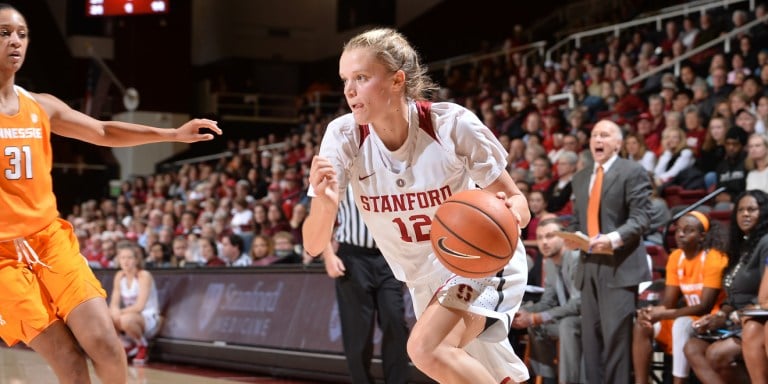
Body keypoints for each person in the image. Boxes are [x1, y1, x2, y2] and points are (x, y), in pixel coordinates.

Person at [0, 4, 221, 384]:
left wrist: (171, 134)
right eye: (4, 33)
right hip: (3, 256)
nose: (15, 41)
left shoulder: (41, 104)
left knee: (105, 343)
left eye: (21, 33)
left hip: (51, 242)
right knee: (69, 360)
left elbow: (102, 132)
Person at [302, 28, 531, 383]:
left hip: (478, 260)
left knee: (426, 349)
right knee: (482, 372)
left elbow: (519, 201)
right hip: (423, 279)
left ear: (397, 80)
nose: (349, 90)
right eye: (346, 79)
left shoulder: (450, 124)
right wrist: (326, 206)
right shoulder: (343, 135)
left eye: (361, 78)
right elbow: (313, 245)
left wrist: (509, 211)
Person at [565, 119, 652, 383]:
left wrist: (613, 239)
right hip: (589, 264)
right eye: (593, 135)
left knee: (616, 340)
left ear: (618, 143)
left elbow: (642, 218)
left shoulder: (632, 171)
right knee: (591, 340)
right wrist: (573, 236)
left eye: (605, 135)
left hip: (619, 264)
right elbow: (578, 220)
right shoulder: (580, 177)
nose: (597, 140)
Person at [318, 188, 409, 383]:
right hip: (353, 257)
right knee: (357, 329)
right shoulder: (341, 175)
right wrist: (328, 256)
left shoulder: (389, 172)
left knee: (395, 319)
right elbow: (321, 216)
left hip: (389, 256)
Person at [632, 212, 728, 384]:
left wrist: (662, 314)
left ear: (701, 236)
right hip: (683, 314)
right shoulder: (676, 257)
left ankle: (678, 382)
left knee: (681, 324)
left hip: (710, 318)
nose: (680, 234)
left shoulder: (714, 258)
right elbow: (668, 302)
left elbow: (704, 306)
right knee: (642, 325)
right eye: (678, 230)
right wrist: (651, 312)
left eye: (688, 230)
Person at [685, 190, 768, 383]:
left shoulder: (765, 242)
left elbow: (763, 297)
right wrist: (720, 315)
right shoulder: (740, 245)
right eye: (741, 210)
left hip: (755, 320)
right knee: (692, 347)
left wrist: (732, 316)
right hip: (735, 319)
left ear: (763, 213)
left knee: (716, 354)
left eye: (752, 210)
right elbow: (732, 297)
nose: (745, 214)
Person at [511, 218, 582, 384]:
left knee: (563, 324)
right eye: (540, 237)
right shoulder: (549, 262)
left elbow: (577, 305)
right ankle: (547, 378)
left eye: (549, 236)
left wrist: (536, 317)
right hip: (566, 317)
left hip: (584, 319)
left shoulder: (577, 259)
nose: (544, 242)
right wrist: (524, 312)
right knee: (535, 327)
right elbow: (547, 302)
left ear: (564, 238)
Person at [109, 241, 161, 365]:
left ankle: (142, 345)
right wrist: (113, 312)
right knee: (106, 316)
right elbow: (114, 303)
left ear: (136, 260)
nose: (125, 261)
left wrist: (118, 312)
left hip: (148, 317)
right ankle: (125, 345)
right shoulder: (119, 276)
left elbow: (139, 306)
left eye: (129, 257)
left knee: (124, 319)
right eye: (122, 258)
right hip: (129, 315)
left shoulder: (143, 276)